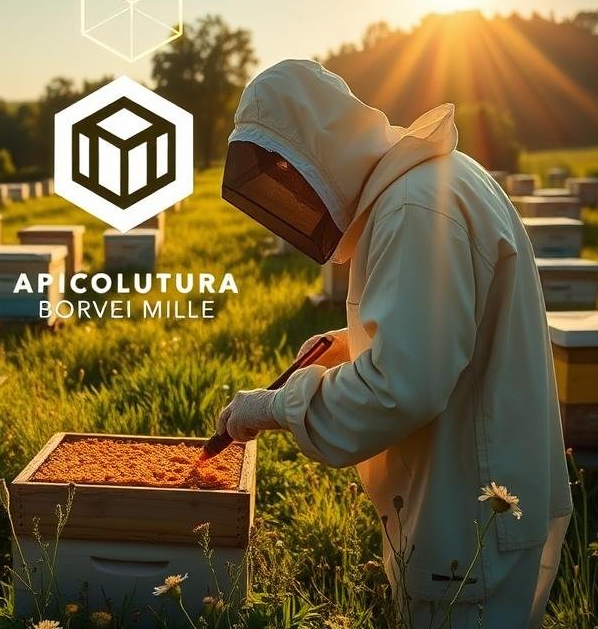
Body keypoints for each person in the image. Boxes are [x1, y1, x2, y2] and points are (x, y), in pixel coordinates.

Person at [214, 60, 572, 627]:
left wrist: (275, 407)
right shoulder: (435, 181)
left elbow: (401, 388)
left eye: (288, 170)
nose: (292, 192)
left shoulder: (415, 207)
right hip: (477, 493)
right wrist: (348, 343)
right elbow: (445, 330)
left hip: (466, 514)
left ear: (320, 147)